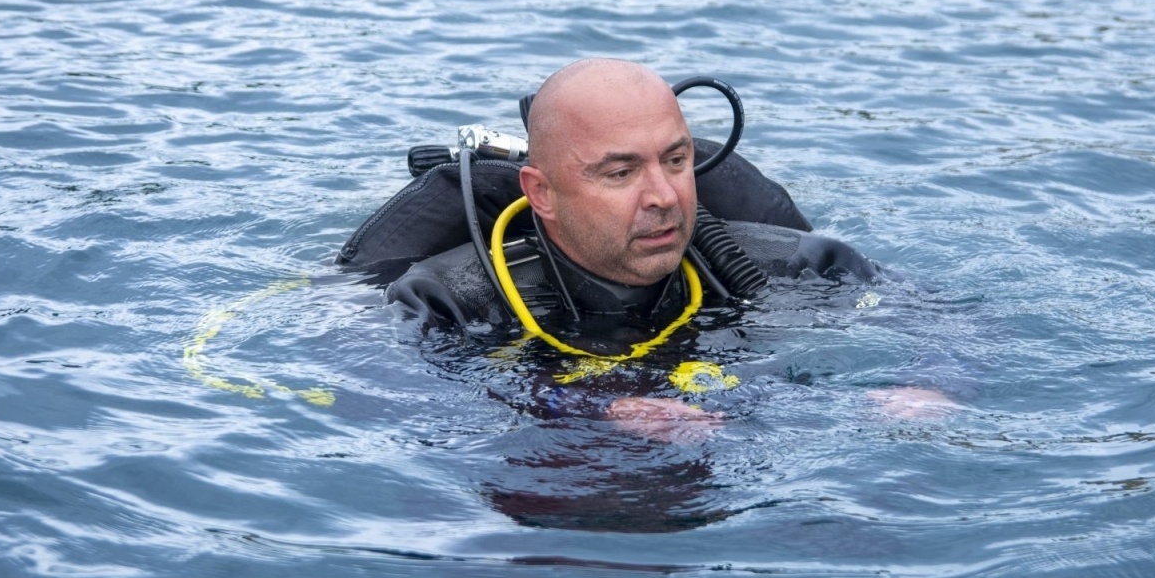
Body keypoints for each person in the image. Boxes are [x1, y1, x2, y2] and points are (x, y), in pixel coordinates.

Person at [348, 58, 963, 435]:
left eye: (675, 161)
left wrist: (929, 384)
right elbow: (397, 403)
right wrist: (590, 410)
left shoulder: (797, 263)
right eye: (619, 174)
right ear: (542, 193)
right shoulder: (447, 301)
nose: (663, 195)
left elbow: (953, 324)